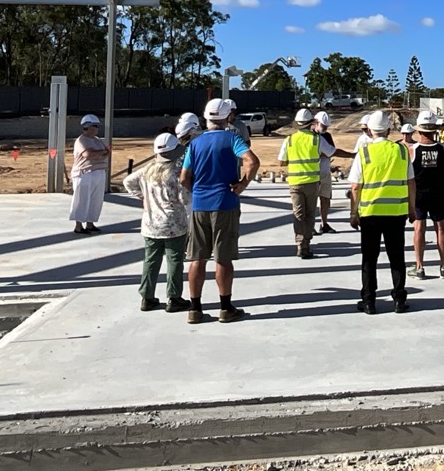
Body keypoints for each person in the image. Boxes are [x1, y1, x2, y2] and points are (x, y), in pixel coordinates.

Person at [179, 98, 260, 323]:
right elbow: (252, 161)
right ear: (227, 117)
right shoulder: (232, 138)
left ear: (206, 117)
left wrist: (197, 191)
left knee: (197, 258)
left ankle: (195, 308)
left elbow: (184, 178)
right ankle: (226, 307)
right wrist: (243, 184)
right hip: (225, 203)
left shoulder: (194, 144)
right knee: (223, 258)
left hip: (200, 205)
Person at [348, 111, 415, 314]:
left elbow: (355, 187)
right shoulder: (402, 151)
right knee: (397, 257)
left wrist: (354, 213)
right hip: (396, 213)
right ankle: (399, 300)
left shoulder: (364, 153)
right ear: (388, 129)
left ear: (369, 131)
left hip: (370, 213)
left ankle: (369, 301)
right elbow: (411, 183)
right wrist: (412, 209)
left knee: (369, 258)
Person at [124, 132, 190, 313]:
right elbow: (185, 199)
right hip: (174, 223)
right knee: (175, 260)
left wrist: (143, 197)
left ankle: (147, 296)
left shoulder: (147, 170)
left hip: (151, 223)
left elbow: (128, 181)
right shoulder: (177, 173)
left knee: (150, 260)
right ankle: (174, 297)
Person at [277, 108, 335, 259]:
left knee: (298, 214)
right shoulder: (317, 139)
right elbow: (330, 152)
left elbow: (281, 161)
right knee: (310, 214)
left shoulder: (289, 140)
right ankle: (306, 244)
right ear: (311, 123)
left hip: (295, 182)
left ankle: (299, 243)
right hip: (312, 182)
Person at [410, 110, 444, 279]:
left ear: (419, 130)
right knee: (441, 228)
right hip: (437, 192)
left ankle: (419, 266)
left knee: (419, 228)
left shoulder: (412, 150)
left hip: (419, 193)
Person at [313, 110, 353, 234]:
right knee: (311, 201)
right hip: (312, 173)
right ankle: (310, 226)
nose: (325, 128)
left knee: (325, 198)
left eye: (326, 126)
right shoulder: (310, 137)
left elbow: (331, 152)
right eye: (323, 126)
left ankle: (324, 224)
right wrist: (352, 155)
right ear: (316, 123)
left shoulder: (327, 136)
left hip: (324, 172)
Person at [70, 114, 109, 235]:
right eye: (95, 126)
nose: (97, 129)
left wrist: (99, 153)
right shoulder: (81, 140)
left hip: (98, 172)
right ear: (87, 127)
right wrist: (100, 153)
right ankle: (78, 225)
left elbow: (106, 152)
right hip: (84, 173)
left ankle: (90, 223)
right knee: (82, 199)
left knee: (95, 199)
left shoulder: (97, 140)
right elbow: (87, 154)